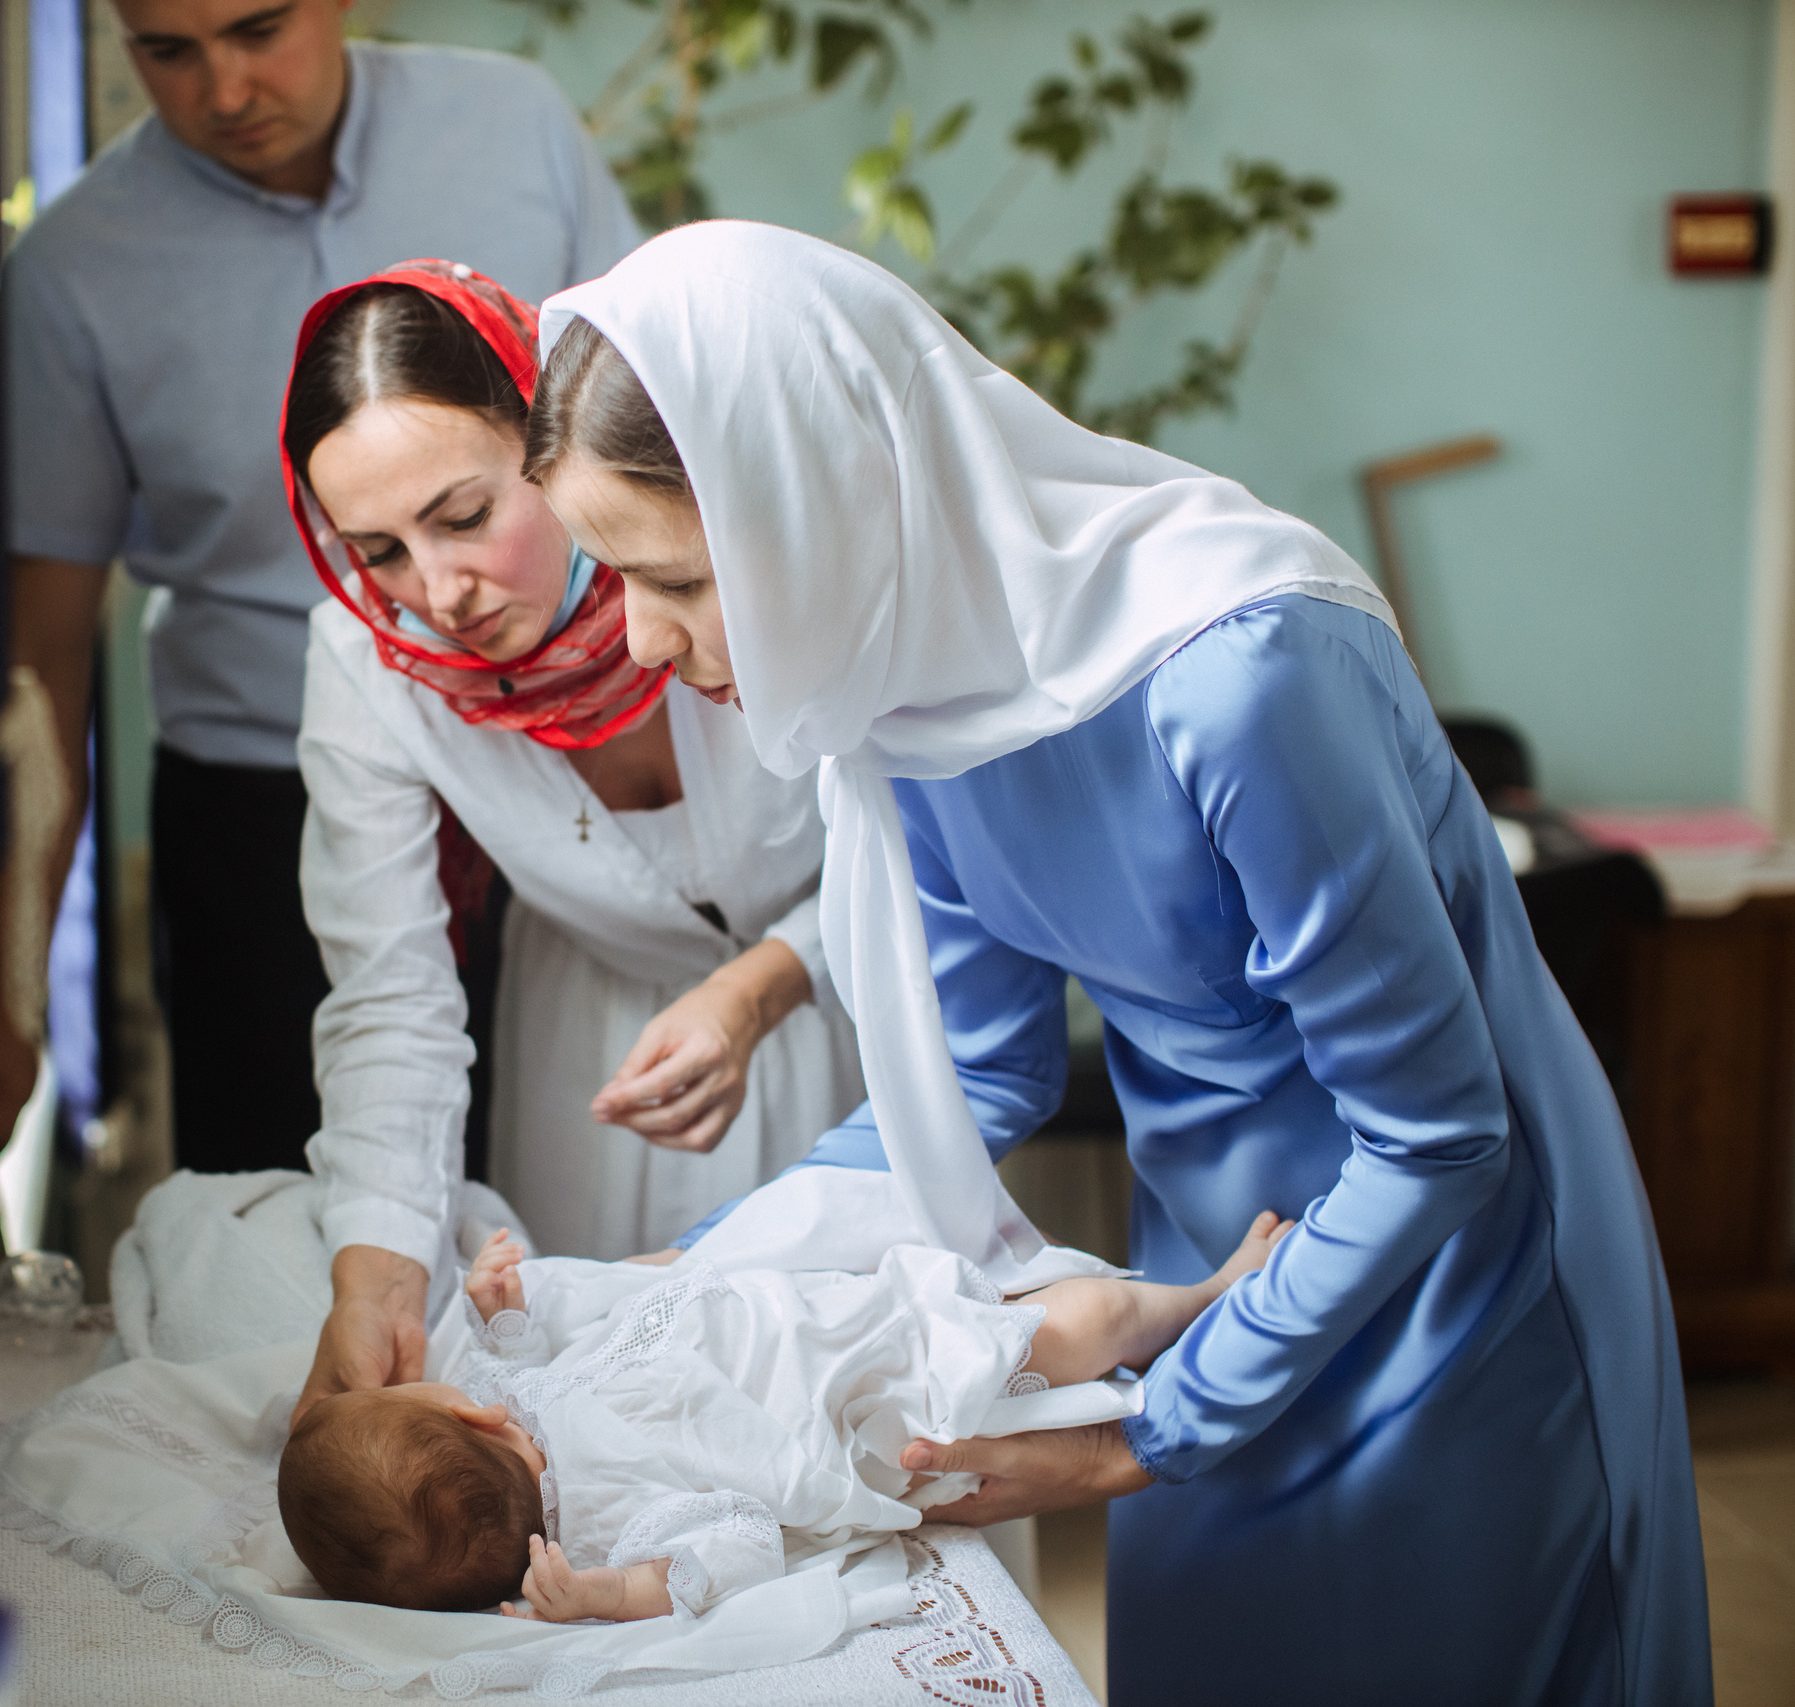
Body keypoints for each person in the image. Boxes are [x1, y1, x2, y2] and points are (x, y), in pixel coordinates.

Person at [518, 221, 1709, 1705]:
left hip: (1453, 1287)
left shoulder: (1242, 672)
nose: (643, 640)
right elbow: (971, 1072)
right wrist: (706, 1281)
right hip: (1205, 1280)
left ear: (815, 502)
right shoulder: (913, 702)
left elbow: (1437, 1133)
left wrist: (1138, 1433)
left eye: (678, 578)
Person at [0, 0, 639, 1181]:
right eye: (169, 52)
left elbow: (646, 434)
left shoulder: (516, 129)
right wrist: (11, 1002)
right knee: (290, 1237)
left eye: (258, 29)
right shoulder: (74, 273)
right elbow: (35, 664)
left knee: (577, 1209)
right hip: (263, 819)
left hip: (571, 775)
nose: (227, 90)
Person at [279, 262, 864, 1413]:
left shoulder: (749, 546)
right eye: (380, 551)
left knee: (841, 1413)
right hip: (591, 1053)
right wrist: (381, 1276)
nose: (436, 591)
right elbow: (392, 1000)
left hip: (858, 1012)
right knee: (591, 1419)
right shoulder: (368, 664)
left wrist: (760, 988)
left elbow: (936, 859)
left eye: (464, 517)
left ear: (546, 439)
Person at [279, 1176, 1293, 1619]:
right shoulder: (607, 1525)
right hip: (873, 1388)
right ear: (462, 1416)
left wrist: (505, 1310)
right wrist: (606, 1596)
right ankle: (1209, 1299)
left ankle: (1192, 1301)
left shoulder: (521, 1395)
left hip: (827, 1312)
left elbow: (547, 1330)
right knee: (1075, 1327)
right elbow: (732, 1549)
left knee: (1066, 1313)